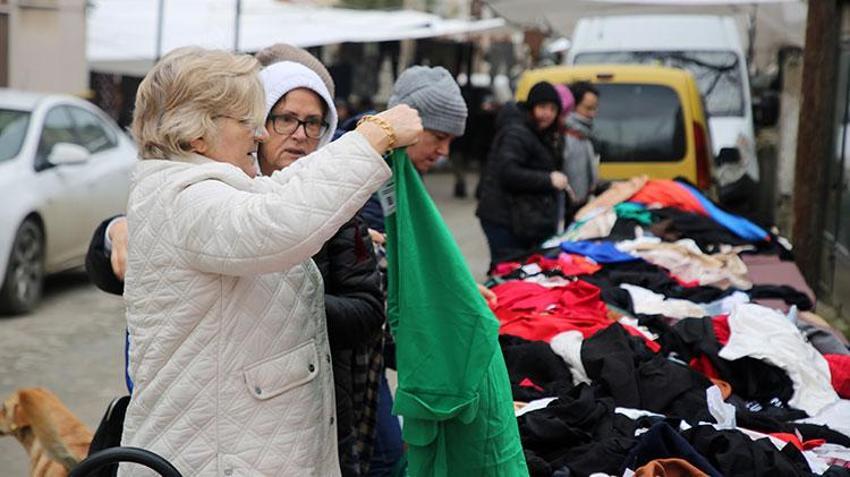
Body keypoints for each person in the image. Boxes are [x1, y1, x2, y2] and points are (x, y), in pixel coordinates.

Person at [87, 44, 392, 476]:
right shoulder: (189, 196)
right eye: (254, 120)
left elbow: (283, 194)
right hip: (216, 455)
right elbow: (281, 221)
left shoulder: (221, 187)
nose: (263, 133)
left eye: (312, 122)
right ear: (195, 133)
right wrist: (371, 138)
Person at [475, 81, 566, 268]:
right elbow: (508, 172)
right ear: (531, 107)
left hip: (518, 219)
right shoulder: (517, 132)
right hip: (505, 219)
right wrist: (549, 180)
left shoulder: (538, 133)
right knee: (507, 271)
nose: (547, 114)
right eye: (542, 107)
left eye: (552, 109)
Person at [562, 81, 601, 215]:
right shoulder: (564, 137)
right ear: (572, 107)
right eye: (588, 108)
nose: (592, 114)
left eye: (595, 108)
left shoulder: (584, 137)